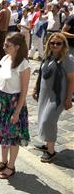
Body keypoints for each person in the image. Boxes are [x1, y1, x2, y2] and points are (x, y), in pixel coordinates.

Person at [0, 32, 31, 179]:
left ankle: (11, 166)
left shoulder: (23, 65)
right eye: (4, 44)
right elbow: (1, 81)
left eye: (7, 45)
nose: (4, 46)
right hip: (1, 102)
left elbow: (24, 92)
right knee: (2, 134)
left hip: (13, 104)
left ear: (17, 47)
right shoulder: (5, 58)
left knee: (12, 137)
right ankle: (3, 161)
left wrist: (17, 112)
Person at [32, 33, 74, 162]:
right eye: (52, 43)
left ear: (63, 44)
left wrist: (68, 98)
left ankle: (51, 152)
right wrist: (35, 88)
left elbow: (72, 80)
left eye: (58, 43)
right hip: (45, 94)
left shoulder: (68, 58)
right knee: (44, 119)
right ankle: (48, 145)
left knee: (47, 120)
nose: (55, 45)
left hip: (57, 96)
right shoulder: (48, 56)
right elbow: (41, 73)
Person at [0, 0, 11, 65]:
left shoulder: (3, 11)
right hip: (5, 30)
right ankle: (2, 59)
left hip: (0, 30)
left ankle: (1, 60)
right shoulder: (9, 11)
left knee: (0, 46)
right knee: (2, 46)